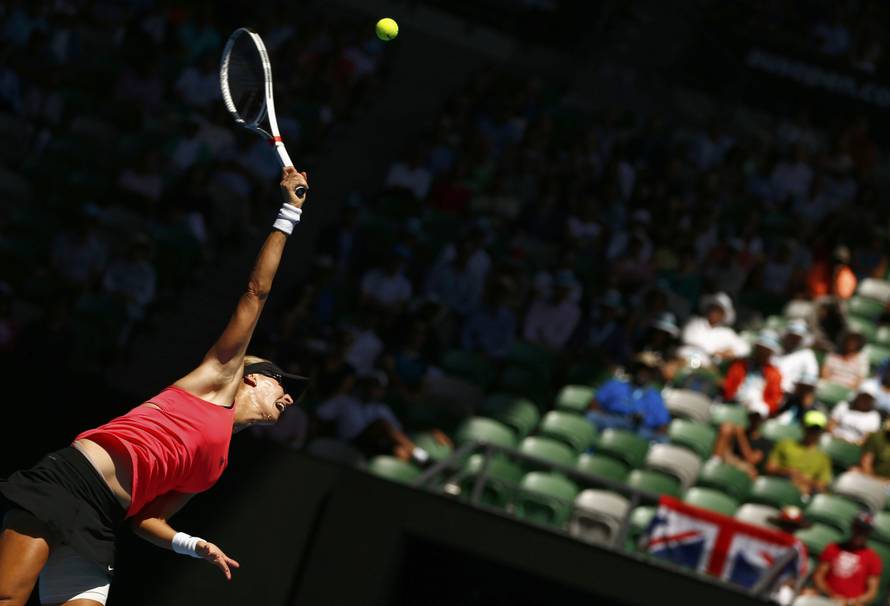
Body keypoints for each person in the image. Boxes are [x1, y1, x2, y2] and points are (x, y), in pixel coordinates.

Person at [0, 167, 311, 605]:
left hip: (103, 519)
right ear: (252, 376)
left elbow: (146, 519)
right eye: (282, 383)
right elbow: (256, 292)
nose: (290, 396)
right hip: (69, 481)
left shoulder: (216, 464)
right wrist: (288, 213)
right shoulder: (217, 378)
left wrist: (192, 544)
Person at [587, 352, 671, 440]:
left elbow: (663, 426)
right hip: (612, 421)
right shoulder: (615, 384)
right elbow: (594, 404)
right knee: (592, 417)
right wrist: (604, 417)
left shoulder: (656, 397)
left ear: (653, 374)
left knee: (663, 439)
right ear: (635, 368)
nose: (644, 373)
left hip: (638, 431)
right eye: (641, 368)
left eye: (649, 371)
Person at [809, 512, 882, 605]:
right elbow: (818, 576)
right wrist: (831, 595)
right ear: (853, 527)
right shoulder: (833, 548)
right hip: (825, 599)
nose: (860, 533)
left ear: (869, 533)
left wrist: (851, 602)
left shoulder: (873, 558)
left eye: (865, 531)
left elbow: (872, 592)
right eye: (858, 528)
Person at [766, 410, 833, 496]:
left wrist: (801, 479)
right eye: (811, 428)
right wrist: (786, 472)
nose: (813, 432)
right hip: (780, 484)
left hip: (804, 492)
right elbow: (769, 468)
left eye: (817, 429)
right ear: (803, 427)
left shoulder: (823, 458)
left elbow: (821, 485)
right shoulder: (785, 444)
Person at [722, 332, 784, 418]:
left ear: (771, 353)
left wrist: (763, 407)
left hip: (757, 411)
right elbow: (728, 386)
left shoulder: (775, 374)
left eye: (766, 351)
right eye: (761, 349)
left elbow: (775, 399)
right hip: (734, 403)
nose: (762, 353)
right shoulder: (740, 365)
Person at [680, 291, 750, 363]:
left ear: (724, 315)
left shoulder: (726, 332)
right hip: (686, 359)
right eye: (713, 309)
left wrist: (728, 353)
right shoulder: (695, 322)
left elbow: (745, 349)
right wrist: (715, 352)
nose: (714, 313)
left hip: (708, 366)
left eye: (719, 311)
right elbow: (688, 339)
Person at [713, 410, 772, 479]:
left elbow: (751, 459)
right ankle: (715, 464)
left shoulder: (765, 442)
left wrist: (741, 436)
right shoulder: (742, 431)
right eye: (752, 416)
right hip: (731, 460)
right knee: (727, 427)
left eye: (757, 418)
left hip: (746, 467)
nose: (753, 420)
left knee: (752, 473)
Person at [775, 319, 819, 394]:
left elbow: (810, 380)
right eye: (792, 336)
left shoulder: (807, 355)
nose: (793, 340)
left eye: (797, 338)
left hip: (790, 395)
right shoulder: (776, 351)